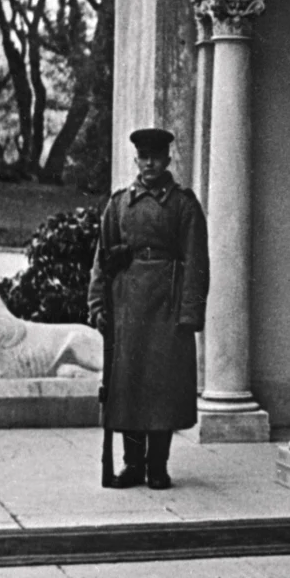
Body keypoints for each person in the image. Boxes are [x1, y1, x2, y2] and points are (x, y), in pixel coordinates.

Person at [88, 128, 208, 489]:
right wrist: (97, 303)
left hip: (166, 308)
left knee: (161, 388)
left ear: (168, 159)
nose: (150, 163)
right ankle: (131, 465)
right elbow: (101, 259)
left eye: (156, 156)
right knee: (129, 387)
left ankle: (158, 465)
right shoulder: (119, 204)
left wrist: (189, 312)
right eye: (144, 156)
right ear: (136, 159)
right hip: (127, 308)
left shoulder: (184, 205)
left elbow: (197, 262)